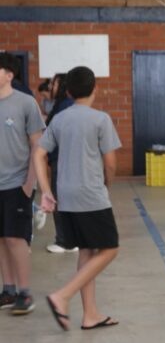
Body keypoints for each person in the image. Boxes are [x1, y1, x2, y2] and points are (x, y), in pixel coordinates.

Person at [33, 66, 122, 331]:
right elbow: (111, 163)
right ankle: (63, 296)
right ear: (96, 89)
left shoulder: (59, 119)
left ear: (69, 92)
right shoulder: (101, 119)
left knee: (86, 250)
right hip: (91, 195)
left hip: (67, 197)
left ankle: (90, 314)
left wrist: (46, 190)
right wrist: (106, 185)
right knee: (110, 248)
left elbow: (39, 154)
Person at [0, 52, 44, 315]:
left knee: (16, 239)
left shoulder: (26, 103)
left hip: (16, 184)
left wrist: (30, 183)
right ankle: (8, 290)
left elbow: (38, 145)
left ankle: (25, 293)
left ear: (9, 75)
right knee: (1, 239)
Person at [44, 73, 77, 254]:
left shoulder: (65, 105)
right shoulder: (62, 104)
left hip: (62, 159)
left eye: (54, 84)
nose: (50, 87)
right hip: (62, 158)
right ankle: (70, 239)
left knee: (59, 199)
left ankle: (64, 241)